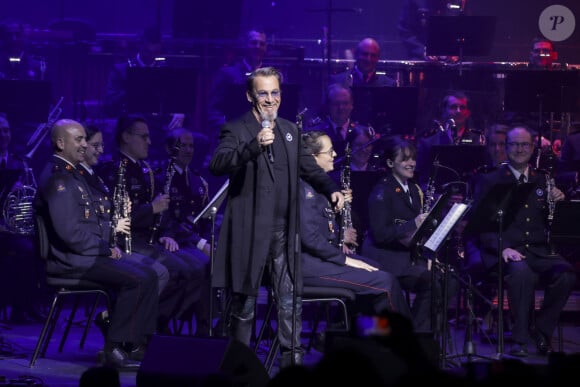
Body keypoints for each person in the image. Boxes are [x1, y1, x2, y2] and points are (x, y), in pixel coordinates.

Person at [208, 66, 345, 368]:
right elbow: (218, 164)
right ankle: (239, 366)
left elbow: (309, 169)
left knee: (289, 300)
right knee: (244, 303)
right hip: (250, 233)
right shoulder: (237, 129)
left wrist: (331, 189)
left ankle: (290, 364)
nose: (270, 99)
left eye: (275, 93)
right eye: (263, 93)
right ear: (250, 96)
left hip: (284, 232)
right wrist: (253, 146)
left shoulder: (290, 131)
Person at [33, 118, 159, 370]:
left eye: (83, 139)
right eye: (78, 140)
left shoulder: (73, 173)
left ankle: (135, 345)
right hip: (72, 260)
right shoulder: (58, 178)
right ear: (60, 142)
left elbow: (89, 221)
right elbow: (70, 233)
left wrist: (108, 239)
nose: (84, 145)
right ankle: (116, 348)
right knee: (139, 279)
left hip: (86, 254)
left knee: (149, 273)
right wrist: (104, 248)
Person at [465, 125, 576, 357]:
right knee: (522, 272)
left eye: (524, 144)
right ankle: (520, 338)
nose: (519, 149)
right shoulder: (490, 180)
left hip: (537, 250)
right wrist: (502, 248)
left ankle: (542, 331)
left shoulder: (542, 179)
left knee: (566, 274)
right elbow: (481, 226)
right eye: (514, 144)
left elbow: (550, 220)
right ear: (506, 148)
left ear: (532, 148)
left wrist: (559, 200)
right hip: (504, 249)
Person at [96, 114, 204, 335]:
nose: (149, 141)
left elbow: (162, 213)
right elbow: (117, 220)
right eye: (143, 137)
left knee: (196, 269)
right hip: (125, 241)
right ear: (126, 137)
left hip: (149, 239)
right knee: (176, 270)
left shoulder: (145, 171)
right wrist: (151, 210)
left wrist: (165, 232)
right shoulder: (113, 170)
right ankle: (135, 322)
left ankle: (157, 319)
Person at [300, 130, 411, 319]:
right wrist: (343, 259)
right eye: (329, 152)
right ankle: (403, 344)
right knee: (386, 282)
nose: (335, 155)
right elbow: (308, 238)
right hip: (308, 266)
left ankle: (356, 336)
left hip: (320, 259)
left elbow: (319, 225)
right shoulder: (302, 187)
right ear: (312, 157)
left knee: (380, 270)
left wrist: (336, 213)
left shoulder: (319, 185)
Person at [362, 137, 439, 333]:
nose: (411, 163)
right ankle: (414, 334)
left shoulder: (413, 188)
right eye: (405, 159)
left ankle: (416, 332)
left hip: (407, 257)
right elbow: (381, 234)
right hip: (386, 260)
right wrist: (413, 223)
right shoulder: (382, 190)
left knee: (447, 280)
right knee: (434, 283)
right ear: (390, 163)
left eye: (413, 158)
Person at [156, 127, 212, 335]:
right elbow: (168, 220)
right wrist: (200, 243)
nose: (188, 150)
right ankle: (164, 319)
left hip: (195, 241)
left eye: (191, 146)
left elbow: (206, 219)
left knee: (222, 261)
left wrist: (207, 239)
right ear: (169, 148)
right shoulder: (162, 179)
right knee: (202, 265)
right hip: (174, 240)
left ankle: (211, 323)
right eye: (182, 145)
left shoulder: (199, 181)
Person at [0, 112, 45, 323]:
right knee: (25, 251)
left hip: (12, 227)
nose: (3, 135)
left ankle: (30, 305)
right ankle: (21, 306)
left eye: (6, 130)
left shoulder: (19, 162)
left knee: (42, 244)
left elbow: (32, 193)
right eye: (0, 130)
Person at [103, 25, 184, 130]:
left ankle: (173, 146)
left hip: (162, 126)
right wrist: (133, 89)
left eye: (155, 53)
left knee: (180, 135)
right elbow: (111, 103)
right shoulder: (121, 70)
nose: (151, 56)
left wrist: (180, 111)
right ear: (140, 46)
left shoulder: (166, 70)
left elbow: (177, 99)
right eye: (148, 52)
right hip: (130, 125)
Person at [206, 28, 268, 146]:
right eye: (254, 43)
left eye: (262, 44)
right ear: (245, 45)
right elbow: (213, 110)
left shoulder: (273, 76)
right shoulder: (227, 74)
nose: (258, 47)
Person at [415, 90, 486, 187]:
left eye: (462, 107)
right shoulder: (428, 143)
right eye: (453, 107)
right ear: (444, 111)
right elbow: (422, 179)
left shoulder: (479, 142)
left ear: (468, 112)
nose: (458, 111)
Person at [397, 0, 463, 61]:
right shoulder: (414, 2)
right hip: (421, 61)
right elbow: (405, 31)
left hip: (453, 63)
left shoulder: (458, 2)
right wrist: (422, 50)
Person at [329, 38, 396, 87]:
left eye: (373, 55)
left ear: (378, 58)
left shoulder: (389, 85)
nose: (368, 59)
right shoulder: (338, 82)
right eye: (365, 54)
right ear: (356, 55)